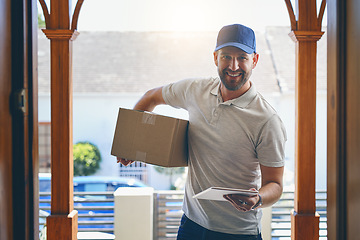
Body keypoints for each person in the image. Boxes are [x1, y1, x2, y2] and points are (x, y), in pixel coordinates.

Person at [117, 24, 286, 240]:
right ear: (215, 57)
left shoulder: (267, 120)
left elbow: (275, 184)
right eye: (226, 56)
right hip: (191, 225)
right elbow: (151, 97)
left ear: (254, 60)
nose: (233, 66)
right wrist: (131, 142)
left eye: (242, 57)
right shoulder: (195, 91)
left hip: (238, 232)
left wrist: (258, 198)